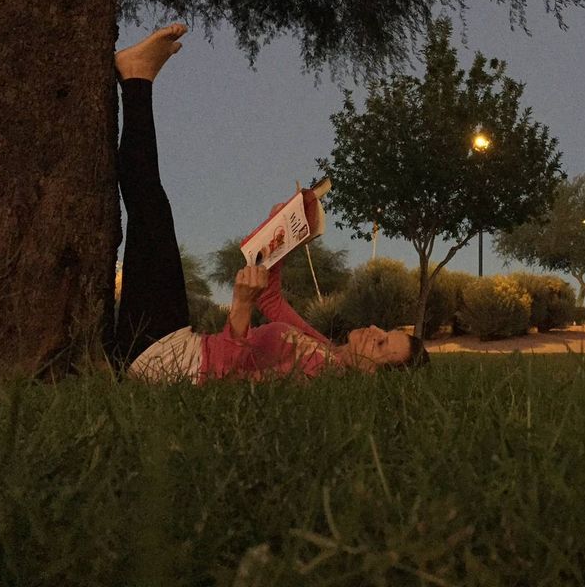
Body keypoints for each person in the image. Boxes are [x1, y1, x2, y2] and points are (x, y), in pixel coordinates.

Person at [105, 23, 429, 382]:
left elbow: (230, 381)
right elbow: (271, 301)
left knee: (150, 206)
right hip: (174, 349)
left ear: (373, 374)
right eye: (385, 331)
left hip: (172, 361)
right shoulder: (323, 349)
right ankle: (137, 78)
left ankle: (136, 78)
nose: (374, 330)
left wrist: (240, 306)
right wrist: (288, 233)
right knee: (150, 204)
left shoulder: (319, 377)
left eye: (382, 345)